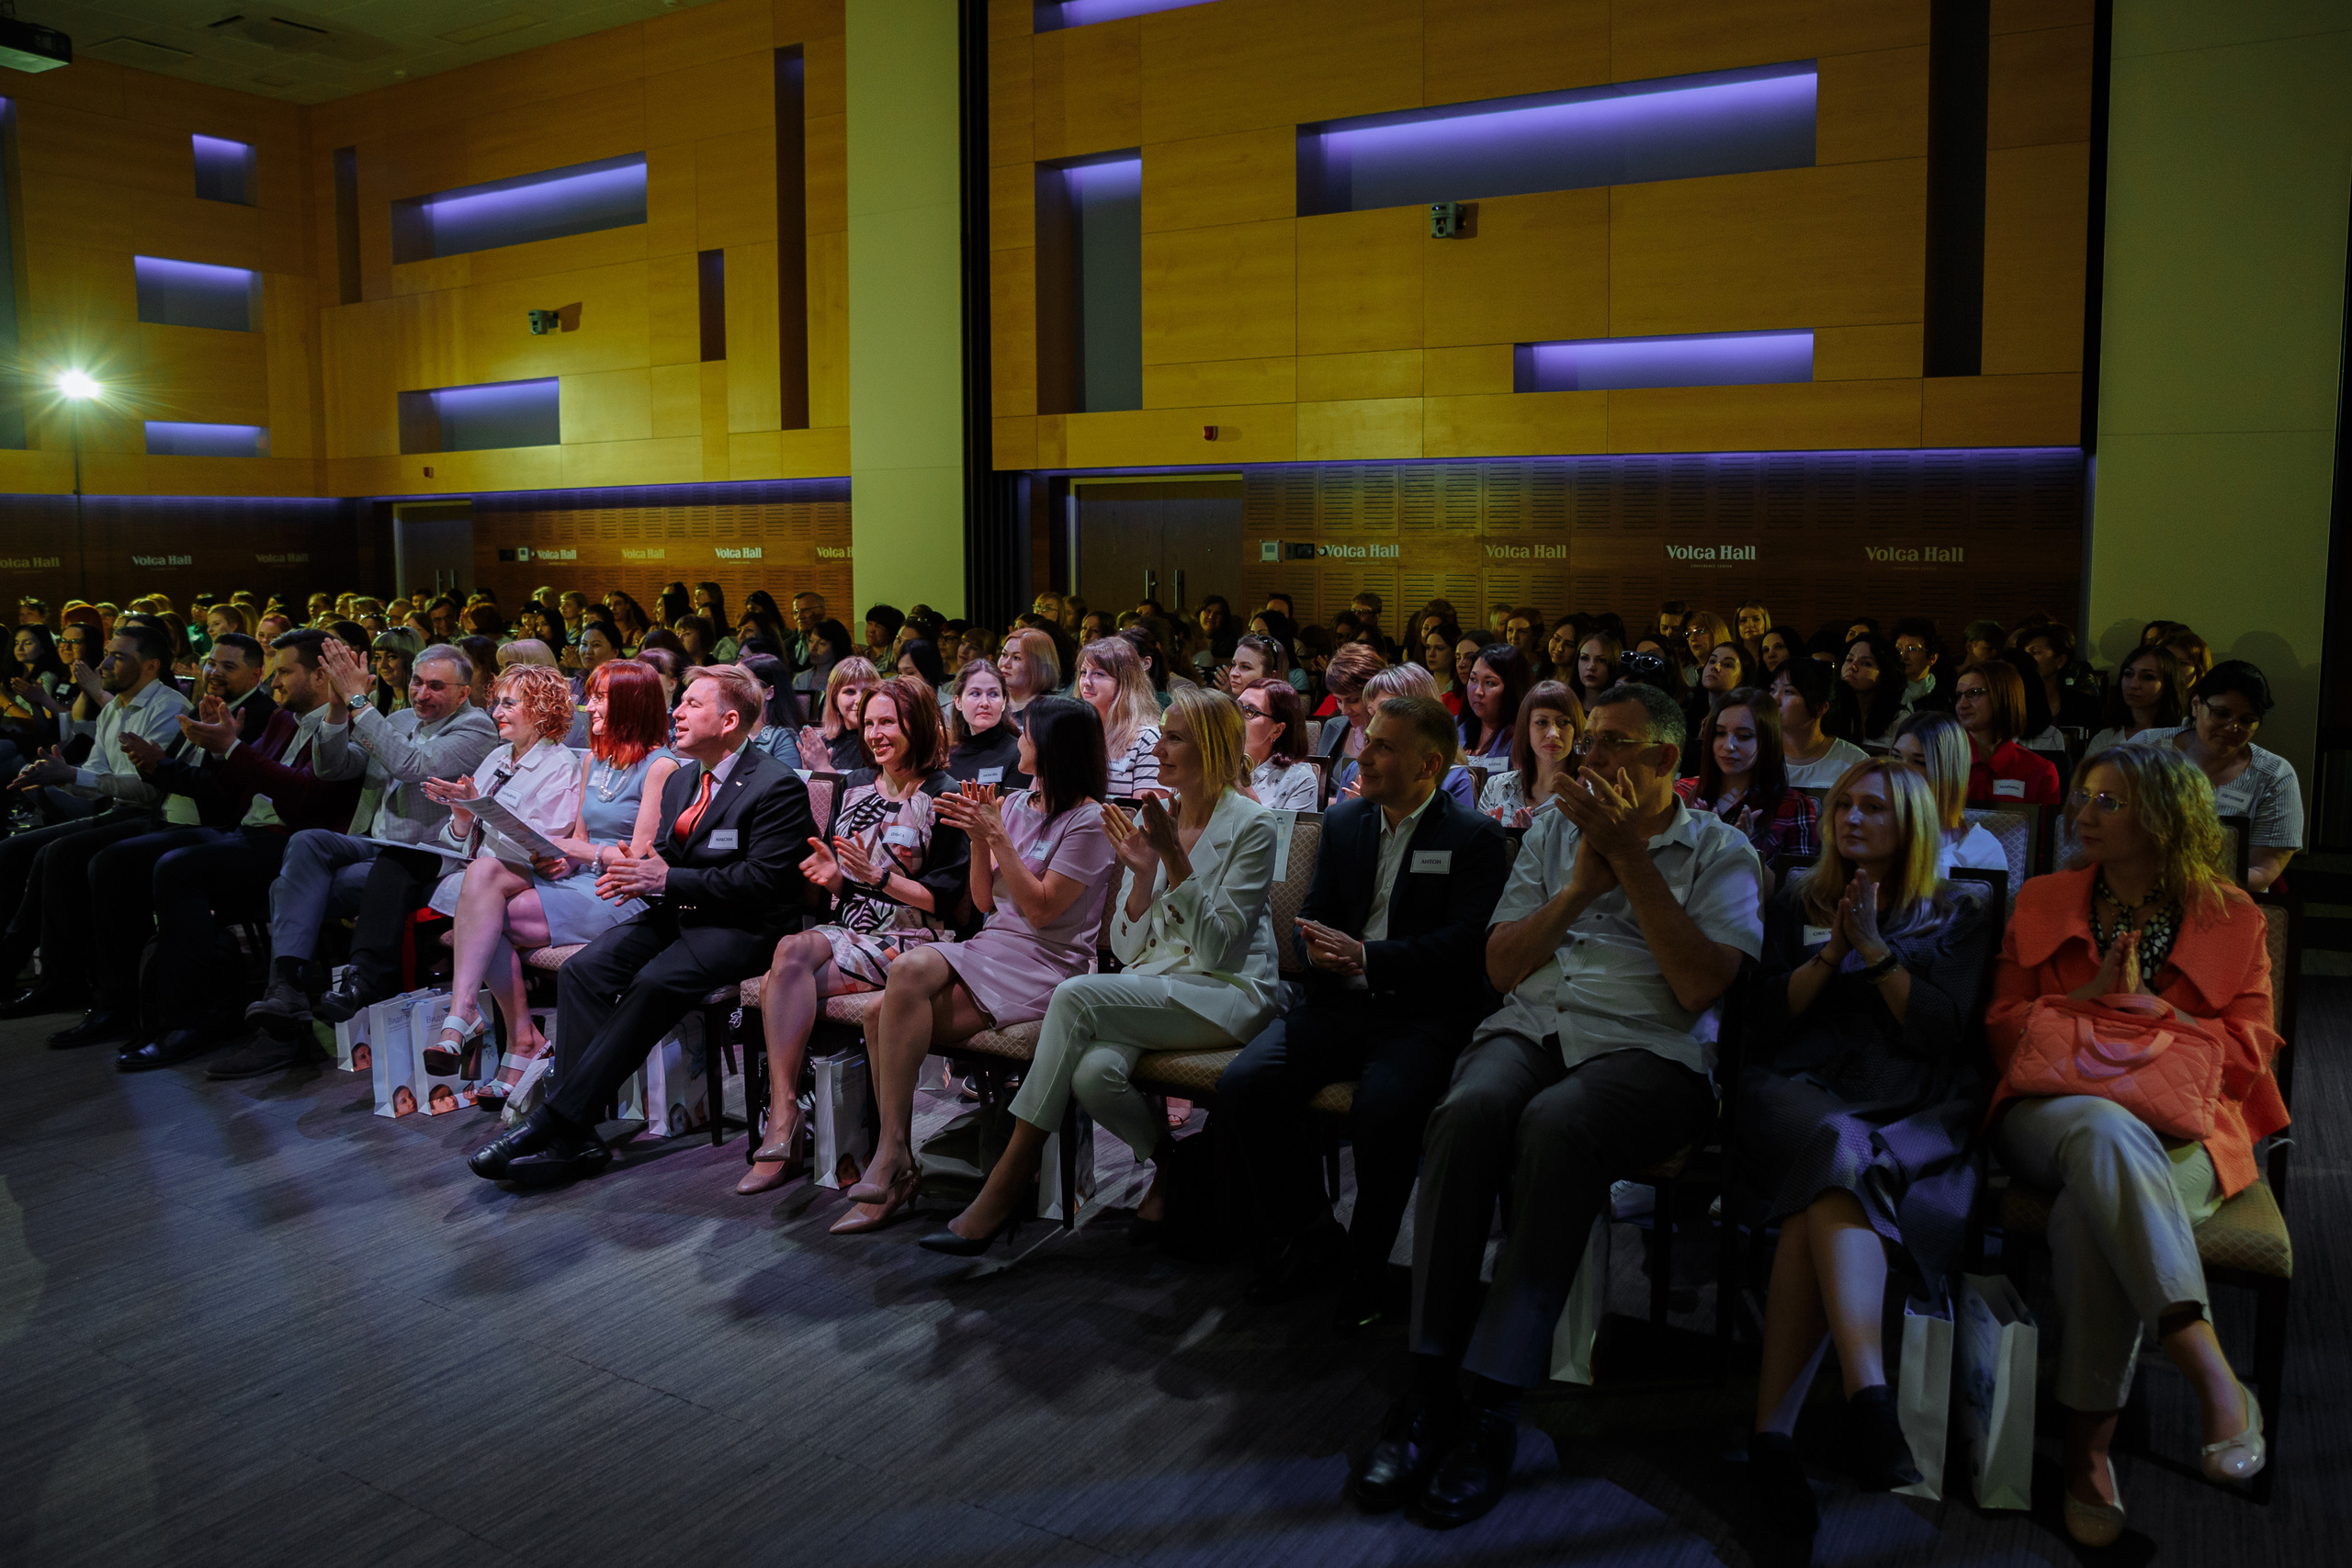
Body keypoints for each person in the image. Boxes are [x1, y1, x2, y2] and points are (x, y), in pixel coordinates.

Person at [1348, 682, 1761, 1525]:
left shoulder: (1722, 853)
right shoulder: (1550, 832)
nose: (1588, 756)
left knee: (1556, 1124)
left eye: (1610, 742)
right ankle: (1428, 1389)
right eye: (1588, 739)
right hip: (1536, 1023)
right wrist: (1576, 888)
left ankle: (1493, 1404)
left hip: (1651, 1050)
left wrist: (1631, 860)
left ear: (1665, 759)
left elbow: (1696, 986)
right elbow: (1501, 968)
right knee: (1467, 1110)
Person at [1984, 743, 2278, 1544]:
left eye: (2108, 801)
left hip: (2186, 1128)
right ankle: (2208, 1367)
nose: (2083, 813)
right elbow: (2002, 1032)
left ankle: (2087, 1454)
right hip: (2050, 1113)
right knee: (2104, 1129)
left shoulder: (2233, 917)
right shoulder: (2044, 897)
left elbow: (2250, 1056)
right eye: (2083, 796)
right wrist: (2087, 999)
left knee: (2089, 1216)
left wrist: (2157, 1012)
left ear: (2165, 817)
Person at [921, 687, 1280, 1255]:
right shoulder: (1162, 815)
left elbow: (1218, 954)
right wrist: (1142, 876)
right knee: (1093, 1074)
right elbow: (1129, 947)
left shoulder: (1255, 825)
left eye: (1174, 738)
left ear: (1210, 749)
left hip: (1230, 993)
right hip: (1159, 986)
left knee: (1075, 996)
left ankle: (1007, 1181)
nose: (1157, 750)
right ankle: (1174, 1163)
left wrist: (1174, 860)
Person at [1742, 758, 1994, 1539]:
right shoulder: (1797, 895)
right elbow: (1764, 1020)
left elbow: (1945, 1031)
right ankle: (1868, 1393)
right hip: (1799, 1085)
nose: (1851, 818)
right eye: (1843, 805)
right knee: (1834, 1142)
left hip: (1908, 1092)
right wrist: (1831, 953)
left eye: (1873, 807)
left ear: (1911, 820)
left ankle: (1772, 1443)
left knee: (1828, 1178)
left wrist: (1879, 952)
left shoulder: (1960, 907)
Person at [1224, 694, 1510, 1324]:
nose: (1363, 755)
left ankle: (1365, 1267)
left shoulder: (1475, 838)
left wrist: (1369, 957)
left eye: (1383, 746)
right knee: (1244, 1084)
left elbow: (1468, 946)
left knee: (1383, 1111)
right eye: (1366, 740)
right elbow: (1313, 913)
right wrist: (1313, 946)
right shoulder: (1347, 821)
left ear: (1428, 765)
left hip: (1422, 1015)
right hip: (1339, 1005)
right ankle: (1310, 1233)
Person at [469, 666, 815, 1186]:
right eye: (681, 702)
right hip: (682, 912)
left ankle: (558, 1123)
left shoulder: (776, 785)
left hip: (746, 928)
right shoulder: (683, 779)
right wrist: (636, 874)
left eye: (693, 704)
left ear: (729, 721)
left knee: (654, 982)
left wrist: (665, 878)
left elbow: (762, 882)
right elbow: (672, 855)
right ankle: (578, 1133)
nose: (677, 712)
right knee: (584, 971)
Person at [831, 696, 1114, 1233]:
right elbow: (984, 902)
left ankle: (894, 1161)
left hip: (1049, 963)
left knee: (879, 1013)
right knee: (902, 979)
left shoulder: (1089, 821)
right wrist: (980, 841)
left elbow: (1041, 910)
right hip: (993, 944)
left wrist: (996, 837)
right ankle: (894, 1151)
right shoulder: (1015, 802)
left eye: (1026, 732)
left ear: (1053, 747)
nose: (1018, 739)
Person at [220, 639, 497, 1073]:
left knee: (288, 889)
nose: (422, 693)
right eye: (417, 683)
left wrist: (357, 702)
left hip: (429, 853)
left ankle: (296, 1003)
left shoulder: (477, 727)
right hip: (375, 844)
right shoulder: (399, 718)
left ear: (463, 693)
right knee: (308, 841)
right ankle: (288, 987)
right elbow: (333, 767)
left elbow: (411, 765)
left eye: (436, 686)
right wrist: (336, 711)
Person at [737, 676, 968, 1195]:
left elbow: (948, 901)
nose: (876, 734)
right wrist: (835, 878)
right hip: (851, 928)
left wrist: (877, 879)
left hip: (914, 940)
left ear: (917, 724)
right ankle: (786, 1110)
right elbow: (845, 882)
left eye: (888, 722)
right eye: (868, 724)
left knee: (780, 980)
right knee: (790, 951)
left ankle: (783, 1123)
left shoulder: (943, 794)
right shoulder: (855, 785)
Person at [109, 631, 365, 1067]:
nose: (273, 682)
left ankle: (191, 1020)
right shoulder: (284, 719)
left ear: (320, 677)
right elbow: (235, 791)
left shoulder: (347, 725)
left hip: (296, 844)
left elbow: (308, 799)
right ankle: (125, 1007)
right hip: (247, 831)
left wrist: (233, 748)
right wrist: (221, 749)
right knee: (120, 860)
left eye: (284, 672)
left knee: (177, 870)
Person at [0, 624, 198, 1025]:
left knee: (58, 854)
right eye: (107, 653)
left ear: (151, 666)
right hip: (121, 811)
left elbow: (151, 789)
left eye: (118, 656)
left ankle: (61, 980)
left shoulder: (167, 708)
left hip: (156, 816)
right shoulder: (113, 708)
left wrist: (71, 775)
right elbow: (96, 778)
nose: (103, 663)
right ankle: (10, 966)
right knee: (13, 849)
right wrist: (58, 774)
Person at [415, 664, 590, 1077]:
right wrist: (463, 814)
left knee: (481, 885)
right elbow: (458, 840)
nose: (496, 712)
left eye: (508, 704)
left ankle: (464, 1015)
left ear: (541, 709)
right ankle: (521, 1038)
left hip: (536, 877)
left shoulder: (560, 764)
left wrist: (485, 811)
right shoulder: (497, 757)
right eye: (496, 703)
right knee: (481, 898)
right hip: (487, 876)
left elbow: (547, 845)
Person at [2169, 660, 2301, 892]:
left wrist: (2192, 885)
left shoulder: (2274, 776)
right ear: (2196, 705)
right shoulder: (2146, 750)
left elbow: (2263, 870)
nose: (2233, 728)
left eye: (2247, 720)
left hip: (2229, 898)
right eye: (2222, 714)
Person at [1675, 687, 1820, 882]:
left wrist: (1743, 849)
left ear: (1767, 740)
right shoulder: (1682, 791)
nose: (1728, 745)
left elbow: (1794, 891)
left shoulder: (1794, 806)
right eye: (1720, 733)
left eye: (1744, 736)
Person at [1892, 710, 2007, 876]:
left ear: (1948, 771)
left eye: (1919, 762)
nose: (1901, 770)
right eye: (1896, 758)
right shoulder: (1875, 830)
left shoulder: (1981, 850)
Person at [1953, 660, 2062, 805]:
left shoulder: (2039, 771)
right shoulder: (1941, 762)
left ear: (2003, 696)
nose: (1962, 705)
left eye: (1973, 693)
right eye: (1959, 696)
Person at [1476, 682, 1580, 826]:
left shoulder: (1586, 796)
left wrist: (1529, 837)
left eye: (1564, 722)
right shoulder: (1496, 786)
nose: (1553, 733)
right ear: (1526, 730)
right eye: (1542, 722)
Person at [1075, 636, 1162, 796]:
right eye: (1083, 672)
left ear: (1124, 682)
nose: (1086, 682)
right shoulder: (1071, 732)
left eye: (1098, 674)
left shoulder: (1147, 739)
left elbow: (1148, 809)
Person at [1772, 658, 1868, 788]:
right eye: (1773, 689)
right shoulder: (1758, 754)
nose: (1775, 699)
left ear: (1820, 708)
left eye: (1788, 691)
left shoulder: (1852, 761)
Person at [2085, 643, 2188, 756]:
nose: (2133, 684)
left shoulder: (2182, 738)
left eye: (2148, 677)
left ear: (2168, 683)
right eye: (2128, 674)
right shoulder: (2106, 738)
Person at [944, 659, 1027, 788]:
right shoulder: (946, 755)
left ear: (1004, 702)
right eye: (975, 693)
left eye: (993, 694)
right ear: (958, 702)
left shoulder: (1018, 755)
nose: (984, 703)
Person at [1238, 677, 1317, 810]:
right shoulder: (1217, 762)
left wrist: (1243, 786)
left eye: (1250, 712)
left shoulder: (1300, 780)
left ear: (1277, 730)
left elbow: (1272, 826)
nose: (1237, 717)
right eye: (1237, 707)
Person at [797, 655, 878, 774]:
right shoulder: (822, 743)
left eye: (866, 691)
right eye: (850, 692)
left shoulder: (882, 740)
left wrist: (824, 768)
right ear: (835, 698)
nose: (860, 700)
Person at [1826, 632, 1908, 745]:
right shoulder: (1826, 710)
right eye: (1849, 660)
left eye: (1866, 663)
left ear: (1885, 673)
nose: (1853, 667)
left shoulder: (1899, 720)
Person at [1457, 644, 1531, 769]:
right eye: (1473, 679)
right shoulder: (1454, 729)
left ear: (1512, 689)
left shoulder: (1524, 738)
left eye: (1490, 683)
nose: (1478, 691)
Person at [2022, 623, 2104, 730]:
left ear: (2060, 661)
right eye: (2024, 653)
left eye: (2036, 652)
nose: (2026, 659)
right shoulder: (2015, 703)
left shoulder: (2084, 705)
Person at [1317, 643, 1386, 762]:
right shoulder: (1332, 727)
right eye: (1339, 700)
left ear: (1376, 693)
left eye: (1353, 700)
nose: (1344, 711)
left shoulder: (1392, 735)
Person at [737, 653, 808, 765]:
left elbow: (787, 776)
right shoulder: (732, 730)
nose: (732, 689)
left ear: (769, 693)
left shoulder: (783, 737)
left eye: (742, 683)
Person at [1681, 637, 1752, 749]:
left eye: (1727, 665)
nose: (1715, 667)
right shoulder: (1685, 718)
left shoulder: (1747, 722)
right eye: (1712, 661)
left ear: (1742, 677)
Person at [997, 626, 1060, 731]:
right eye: (1004, 654)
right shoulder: (992, 700)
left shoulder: (1053, 710)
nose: (1005, 664)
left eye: (1016, 658)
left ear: (1037, 666)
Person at [1892, 617, 1951, 713]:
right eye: (1899, 649)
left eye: (1912, 649)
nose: (1903, 656)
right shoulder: (1886, 691)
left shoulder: (1942, 699)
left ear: (1932, 658)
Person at [1566, 631, 1620, 713]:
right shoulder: (1566, 705)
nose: (1591, 667)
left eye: (1601, 660)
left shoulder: (1620, 710)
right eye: (1584, 658)